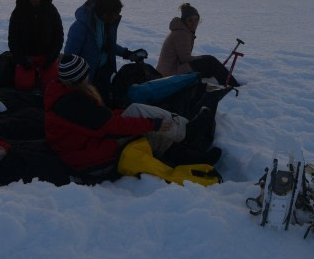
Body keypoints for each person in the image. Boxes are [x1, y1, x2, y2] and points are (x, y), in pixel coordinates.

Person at [44, 54, 215, 180]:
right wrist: (152, 124)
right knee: (146, 126)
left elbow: (101, 120)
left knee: (139, 117)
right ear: (80, 78)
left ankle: (187, 143)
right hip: (89, 159)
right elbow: (111, 125)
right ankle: (187, 134)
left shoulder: (64, 94)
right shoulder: (73, 103)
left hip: (84, 147)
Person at [64, 0, 147, 103]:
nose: (117, 17)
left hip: (104, 72)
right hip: (86, 78)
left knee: (104, 104)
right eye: (115, 14)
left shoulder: (108, 24)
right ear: (104, 13)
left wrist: (127, 53)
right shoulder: (80, 27)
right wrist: (77, 81)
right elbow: (69, 56)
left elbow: (108, 45)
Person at [156, 3, 240, 87]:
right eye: (190, 20)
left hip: (166, 72)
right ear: (184, 21)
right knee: (210, 61)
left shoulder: (181, 31)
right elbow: (185, 59)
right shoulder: (182, 33)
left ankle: (213, 73)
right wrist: (201, 58)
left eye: (196, 20)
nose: (194, 23)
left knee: (207, 61)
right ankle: (233, 85)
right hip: (170, 74)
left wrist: (201, 60)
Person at [7, 0, 64, 90]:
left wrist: (51, 58)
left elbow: (58, 36)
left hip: (46, 55)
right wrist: (21, 60)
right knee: (23, 86)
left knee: (52, 85)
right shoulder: (19, 10)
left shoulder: (51, 10)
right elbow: (13, 38)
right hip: (26, 56)